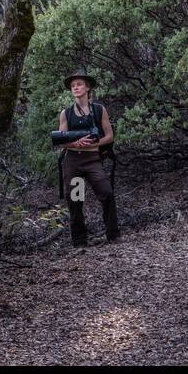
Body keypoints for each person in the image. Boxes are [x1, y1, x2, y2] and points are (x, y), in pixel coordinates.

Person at [57, 71, 119, 248]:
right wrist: (76, 142)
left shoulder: (99, 109)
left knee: (106, 192)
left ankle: (113, 236)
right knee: (76, 200)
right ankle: (80, 241)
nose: (75, 87)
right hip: (74, 162)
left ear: (88, 87)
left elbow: (110, 136)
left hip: (92, 160)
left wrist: (94, 143)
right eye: (72, 86)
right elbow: (61, 142)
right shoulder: (66, 113)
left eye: (79, 84)